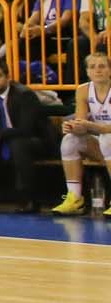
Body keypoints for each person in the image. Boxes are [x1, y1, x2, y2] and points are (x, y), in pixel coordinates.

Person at [0, 59, 53, 210]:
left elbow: (26, 129)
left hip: (35, 140)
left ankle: (29, 199)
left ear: (7, 77)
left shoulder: (24, 94)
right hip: (5, 137)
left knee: (18, 144)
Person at [54, 52, 111, 216]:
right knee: (69, 140)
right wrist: (73, 127)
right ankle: (75, 199)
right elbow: (81, 122)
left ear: (109, 70)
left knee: (107, 139)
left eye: (102, 66)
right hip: (102, 146)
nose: (97, 70)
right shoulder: (83, 90)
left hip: (107, 141)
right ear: (87, 72)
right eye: (93, 67)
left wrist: (92, 126)